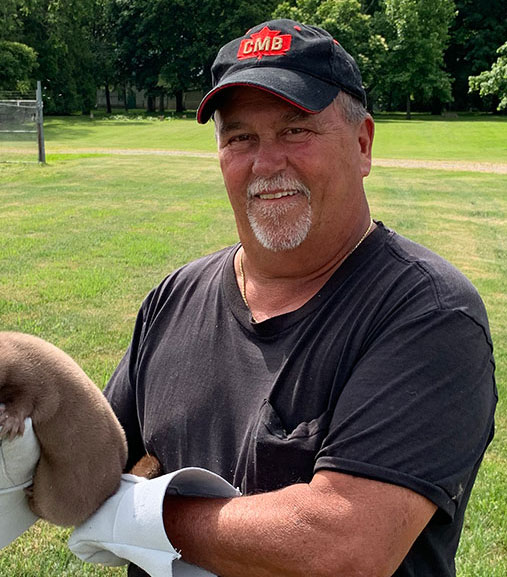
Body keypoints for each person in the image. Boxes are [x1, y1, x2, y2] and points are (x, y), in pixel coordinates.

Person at [68, 18, 497, 577]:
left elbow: (344, 545)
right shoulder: (175, 297)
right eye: (240, 137)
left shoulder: (429, 314)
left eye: (296, 130)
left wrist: (139, 519)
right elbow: (96, 459)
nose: (266, 163)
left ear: (362, 143)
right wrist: (3, 413)